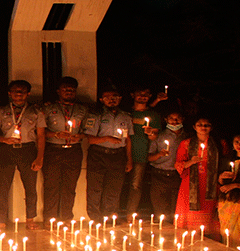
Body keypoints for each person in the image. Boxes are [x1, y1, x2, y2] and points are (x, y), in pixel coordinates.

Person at [0, 80, 44, 229]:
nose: (18, 94)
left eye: (22, 91)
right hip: (6, 150)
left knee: (30, 186)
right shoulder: (0, 111)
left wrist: (39, 157)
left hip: (27, 150)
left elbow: (41, 136)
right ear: (9, 93)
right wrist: (4, 140)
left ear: (28, 93)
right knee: (2, 186)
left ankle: (30, 219)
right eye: (15, 91)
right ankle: (0, 219)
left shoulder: (36, 111)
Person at [41, 77, 89, 223]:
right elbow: (40, 132)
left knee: (70, 186)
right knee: (51, 186)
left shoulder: (82, 109)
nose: (69, 92)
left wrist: (79, 136)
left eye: (72, 90)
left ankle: (67, 218)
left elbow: (88, 130)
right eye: (65, 89)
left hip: (73, 150)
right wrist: (56, 134)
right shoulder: (48, 108)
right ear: (58, 91)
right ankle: (50, 219)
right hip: (53, 150)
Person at [83, 86, 133, 221]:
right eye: (108, 98)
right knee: (95, 188)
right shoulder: (96, 115)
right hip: (98, 154)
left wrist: (129, 160)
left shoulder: (126, 116)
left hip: (118, 155)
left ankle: (109, 217)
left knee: (114, 188)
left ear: (120, 99)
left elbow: (128, 139)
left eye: (115, 97)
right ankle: (95, 218)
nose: (112, 100)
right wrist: (106, 138)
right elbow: (90, 139)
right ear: (101, 100)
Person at [174, 117, 220, 236]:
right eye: (200, 125)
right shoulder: (186, 144)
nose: (203, 127)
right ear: (194, 127)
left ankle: (208, 241)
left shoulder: (219, 144)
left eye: (206, 125)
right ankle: (187, 240)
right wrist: (191, 162)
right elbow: (178, 164)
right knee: (190, 215)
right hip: (190, 184)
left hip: (211, 184)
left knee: (208, 214)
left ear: (211, 127)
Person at [125, 86, 161, 216]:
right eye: (139, 93)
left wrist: (150, 133)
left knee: (136, 185)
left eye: (146, 93)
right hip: (121, 152)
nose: (142, 96)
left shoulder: (153, 115)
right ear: (133, 95)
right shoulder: (126, 113)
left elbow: (154, 136)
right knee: (116, 184)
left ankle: (130, 214)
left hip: (140, 153)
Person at [147, 111, 187, 219]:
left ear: (182, 119)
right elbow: (148, 157)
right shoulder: (159, 136)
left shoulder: (187, 137)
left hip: (178, 176)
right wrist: (159, 154)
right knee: (160, 209)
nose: (174, 122)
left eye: (177, 118)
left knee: (175, 210)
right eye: (171, 118)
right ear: (166, 120)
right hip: (159, 175)